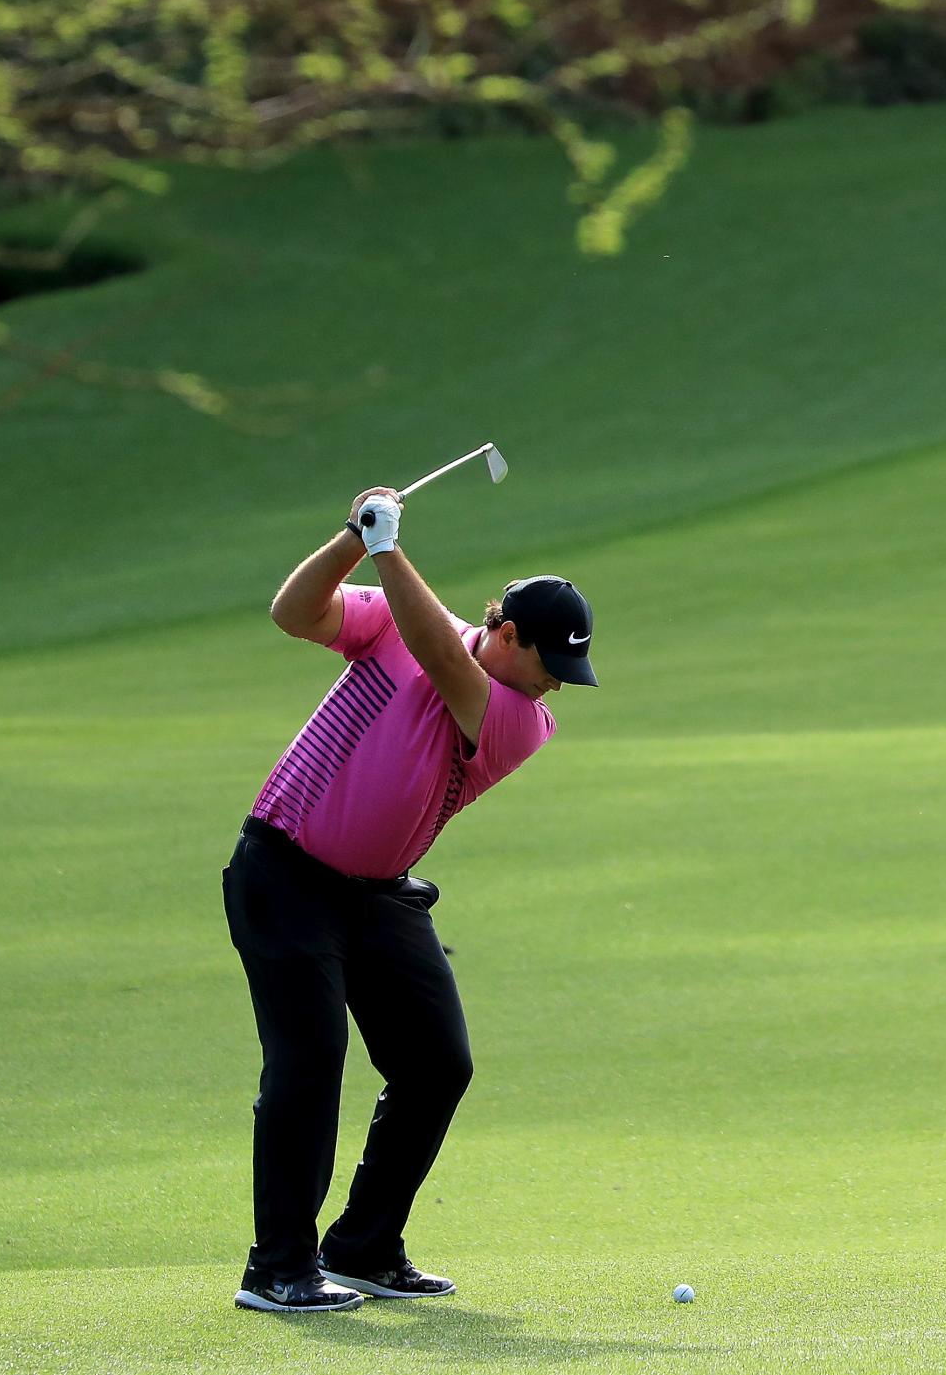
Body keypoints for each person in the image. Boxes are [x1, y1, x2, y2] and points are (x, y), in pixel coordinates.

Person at [225, 487, 597, 1312]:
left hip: (378, 894)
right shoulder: (397, 619)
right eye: (551, 665)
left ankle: (361, 1244)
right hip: (283, 873)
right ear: (508, 635)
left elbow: (441, 657)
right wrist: (354, 539)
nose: (557, 687)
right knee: (309, 1062)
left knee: (436, 1062)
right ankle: (277, 1267)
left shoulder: (518, 718)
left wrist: (392, 551)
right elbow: (294, 612)